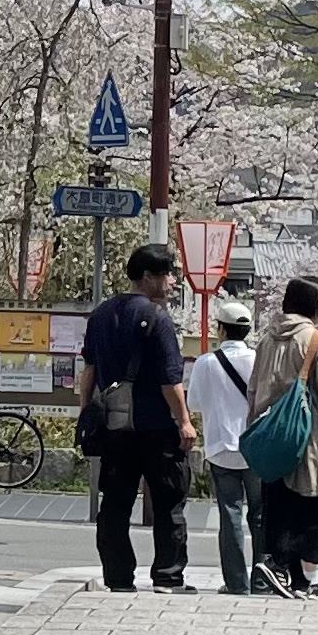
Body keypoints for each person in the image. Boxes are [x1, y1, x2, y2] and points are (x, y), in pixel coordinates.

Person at [77, 242, 198, 592]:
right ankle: (168, 576)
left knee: (114, 504)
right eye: (167, 275)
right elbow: (169, 381)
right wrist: (185, 421)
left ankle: (117, 576)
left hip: (113, 428)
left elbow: (90, 369)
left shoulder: (100, 315)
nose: (172, 282)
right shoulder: (157, 319)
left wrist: (86, 412)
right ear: (147, 277)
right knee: (168, 502)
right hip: (157, 427)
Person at [246, 275, 318, 595]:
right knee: (312, 511)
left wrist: (255, 429)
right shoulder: (317, 342)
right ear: (312, 304)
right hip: (309, 442)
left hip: (272, 438)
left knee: (281, 506)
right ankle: (287, 570)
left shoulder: (266, 340)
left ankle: (290, 577)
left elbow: (254, 389)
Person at [191, 294, 259, 594]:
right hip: (255, 449)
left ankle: (235, 583)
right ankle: (262, 578)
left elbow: (193, 402)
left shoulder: (206, 363)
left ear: (221, 329)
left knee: (229, 515)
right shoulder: (258, 360)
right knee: (259, 515)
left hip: (220, 448)